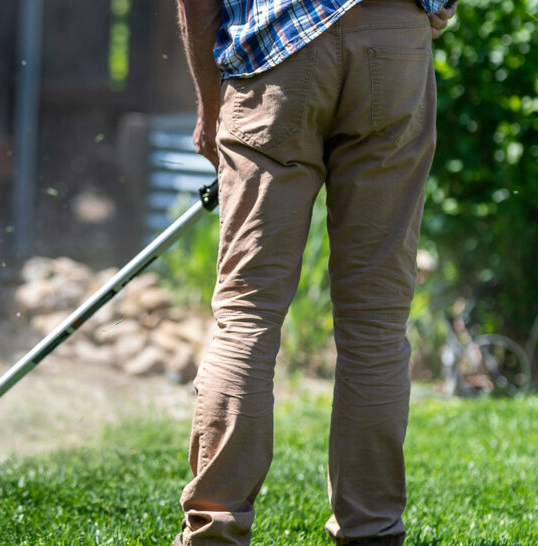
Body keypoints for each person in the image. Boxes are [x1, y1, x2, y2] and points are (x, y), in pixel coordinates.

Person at [173, 1, 457, 545]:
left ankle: (215, 531)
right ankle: (371, 532)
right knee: (376, 319)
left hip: (277, 53)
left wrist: (211, 104)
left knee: (247, 314)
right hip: (392, 40)